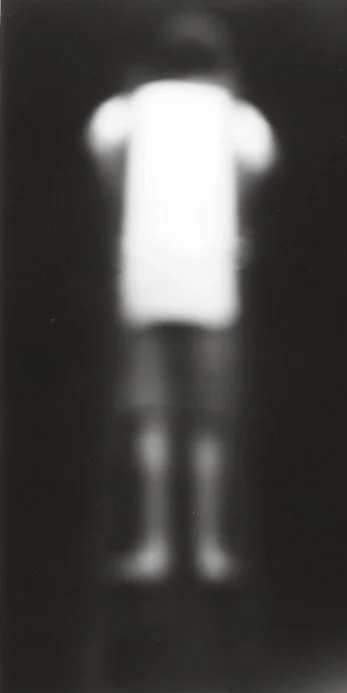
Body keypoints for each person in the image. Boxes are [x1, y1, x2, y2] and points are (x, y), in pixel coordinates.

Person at [85, 10, 277, 583]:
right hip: (210, 284)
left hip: (146, 282)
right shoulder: (235, 118)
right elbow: (259, 162)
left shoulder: (125, 114)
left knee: (153, 417)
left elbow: (103, 152)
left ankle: (156, 546)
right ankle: (211, 546)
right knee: (208, 422)